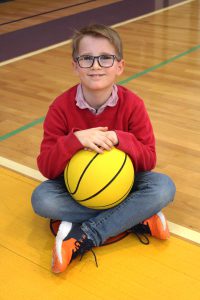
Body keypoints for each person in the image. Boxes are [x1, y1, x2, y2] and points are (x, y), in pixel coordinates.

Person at [31, 24, 176, 273]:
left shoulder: (133, 104)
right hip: (77, 186)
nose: (96, 66)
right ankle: (135, 216)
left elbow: (149, 159)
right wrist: (75, 140)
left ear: (119, 66)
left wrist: (120, 138)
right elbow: (46, 167)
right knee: (42, 199)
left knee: (163, 188)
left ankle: (85, 234)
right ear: (75, 65)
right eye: (87, 58)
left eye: (105, 58)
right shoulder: (60, 107)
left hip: (124, 182)